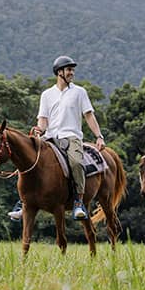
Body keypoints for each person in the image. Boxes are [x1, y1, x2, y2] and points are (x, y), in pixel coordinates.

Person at [30, 55, 106, 220]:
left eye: (72, 70)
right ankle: (23, 201)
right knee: (30, 160)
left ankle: (78, 202)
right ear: (59, 72)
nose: (72, 73)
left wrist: (99, 136)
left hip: (72, 137)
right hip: (49, 138)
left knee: (76, 163)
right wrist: (39, 130)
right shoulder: (47, 95)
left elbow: (89, 116)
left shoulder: (80, 92)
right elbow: (43, 120)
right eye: (69, 70)